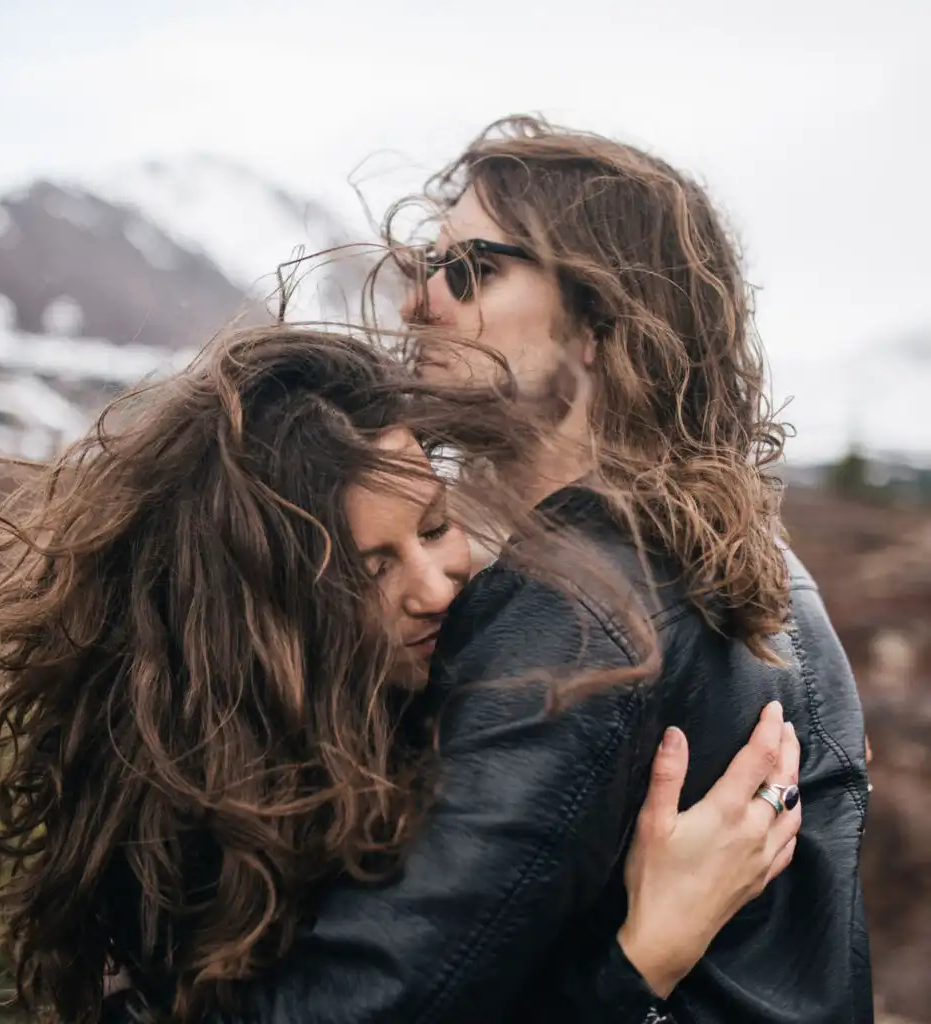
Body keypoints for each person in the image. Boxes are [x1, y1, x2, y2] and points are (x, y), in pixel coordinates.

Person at [0, 326, 800, 1024]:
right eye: (369, 570)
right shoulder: (200, 817)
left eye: (437, 525)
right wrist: (642, 958)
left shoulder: (444, 708)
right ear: (264, 612)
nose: (435, 585)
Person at [190, 117, 871, 1023]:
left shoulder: (581, 606)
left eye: (471, 269)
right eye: (423, 266)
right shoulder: (760, 564)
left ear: (600, 321)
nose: (417, 304)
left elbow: (371, 1003)